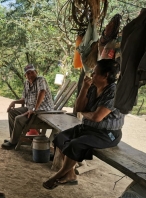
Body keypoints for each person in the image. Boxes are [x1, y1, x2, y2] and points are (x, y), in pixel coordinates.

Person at [43, 59, 124, 189]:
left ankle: (59, 174)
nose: (92, 76)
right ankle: (70, 175)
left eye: (95, 73)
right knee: (60, 138)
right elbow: (79, 107)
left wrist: (85, 113)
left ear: (106, 75)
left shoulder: (113, 92)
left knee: (75, 144)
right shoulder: (93, 87)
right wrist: (84, 88)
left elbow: (97, 117)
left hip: (107, 134)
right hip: (88, 128)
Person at [1, 64, 54, 150]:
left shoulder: (41, 80)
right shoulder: (26, 83)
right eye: (28, 73)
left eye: (32, 72)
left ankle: (13, 142)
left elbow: (42, 92)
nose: (30, 75)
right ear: (25, 75)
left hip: (42, 112)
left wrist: (34, 109)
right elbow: (24, 99)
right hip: (30, 109)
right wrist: (14, 102)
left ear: (36, 72)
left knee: (19, 119)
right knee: (11, 112)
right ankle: (14, 139)